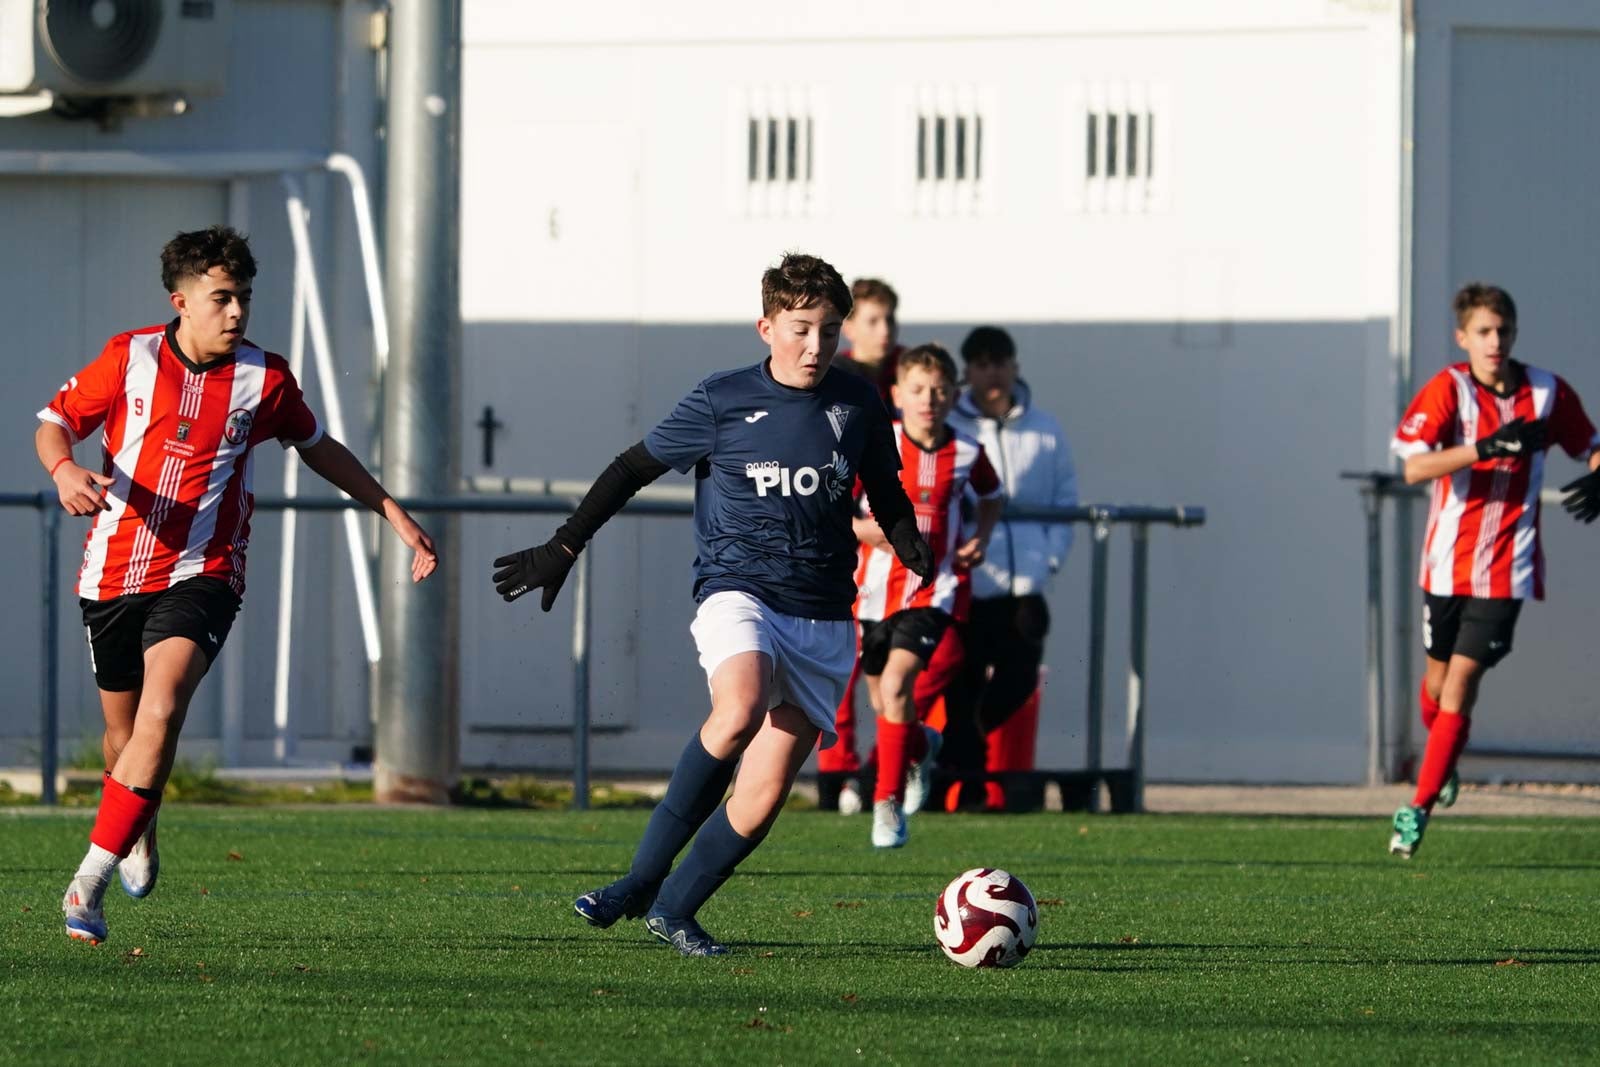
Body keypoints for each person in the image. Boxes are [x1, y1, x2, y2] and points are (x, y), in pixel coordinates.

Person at [491, 252, 931, 956]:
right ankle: (637, 878)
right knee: (738, 708)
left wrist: (908, 537)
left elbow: (882, 486)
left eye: (828, 330)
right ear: (765, 326)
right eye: (800, 329)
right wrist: (564, 545)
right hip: (739, 590)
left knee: (760, 799)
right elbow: (632, 466)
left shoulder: (857, 404)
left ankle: (673, 908)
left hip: (824, 617)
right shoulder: (721, 399)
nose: (816, 346)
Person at [40, 226, 438, 945]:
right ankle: (139, 822)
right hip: (113, 573)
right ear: (182, 301)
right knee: (123, 734)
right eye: (222, 298)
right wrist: (64, 469)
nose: (236, 312)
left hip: (206, 573)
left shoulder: (265, 379)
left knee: (161, 710)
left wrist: (393, 512)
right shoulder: (129, 357)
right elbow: (53, 423)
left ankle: (85, 883)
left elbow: (322, 449)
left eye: (244, 298)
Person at [1387, 283, 1600, 858]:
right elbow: (1413, 468)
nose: (1495, 341)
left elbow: (1592, 444)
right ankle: (1444, 761)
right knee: (1435, 684)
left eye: (1503, 330)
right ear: (1463, 338)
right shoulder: (1448, 388)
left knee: (1460, 685)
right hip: (1445, 564)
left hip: (1508, 566)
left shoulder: (1547, 391)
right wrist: (1485, 448)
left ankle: (1417, 809)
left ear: (1514, 333)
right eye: (1483, 331)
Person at [852, 344, 1002, 847]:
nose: (928, 399)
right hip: (873, 593)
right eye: (917, 389)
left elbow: (993, 495)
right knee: (883, 700)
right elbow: (838, 502)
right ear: (897, 394)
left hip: (933, 591)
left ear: (954, 396)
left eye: (939, 390)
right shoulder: (878, 443)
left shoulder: (966, 453)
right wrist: (859, 530)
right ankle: (923, 744)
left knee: (897, 688)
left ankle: (886, 805)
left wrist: (980, 536)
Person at [943, 325, 1078, 804]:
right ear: (968, 372)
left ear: (1014, 367)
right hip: (972, 582)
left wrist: (1048, 561)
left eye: (1000, 362)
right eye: (981, 364)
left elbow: (1065, 502)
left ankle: (961, 754)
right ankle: (968, 789)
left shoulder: (1045, 428)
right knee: (962, 684)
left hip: (1025, 585)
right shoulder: (953, 429)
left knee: (1020, 676)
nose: (992, 373)